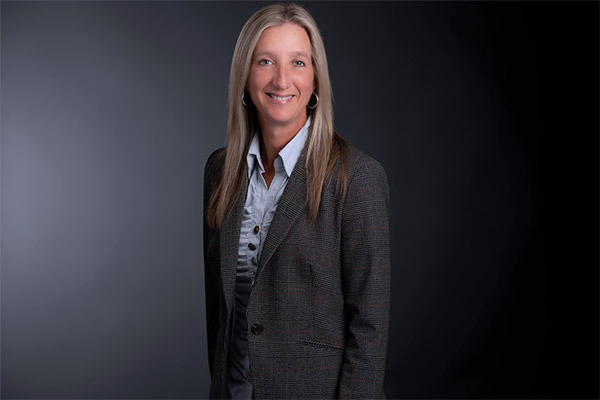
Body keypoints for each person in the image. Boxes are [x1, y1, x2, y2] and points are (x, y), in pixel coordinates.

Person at [203, 3, 390, 399]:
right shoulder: (220, 171)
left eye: (299, 62)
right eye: (266, 61)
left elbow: (369, 327)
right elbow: (219, 314)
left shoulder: (356, 178)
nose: (282, 79)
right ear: (244, 78)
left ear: (317, 80)